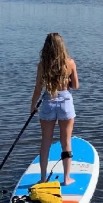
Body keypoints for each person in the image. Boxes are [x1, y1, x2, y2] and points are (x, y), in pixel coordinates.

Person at [30, 33, 79, 185]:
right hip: (65, 103)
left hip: (48, 102)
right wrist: (67, 82)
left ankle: (43, 178)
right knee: (66, 142)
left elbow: (38, 88)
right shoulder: (70, 63)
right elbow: (76, 86)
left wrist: (32, 105)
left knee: (46, 142)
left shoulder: (42, 65)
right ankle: (66, 179)